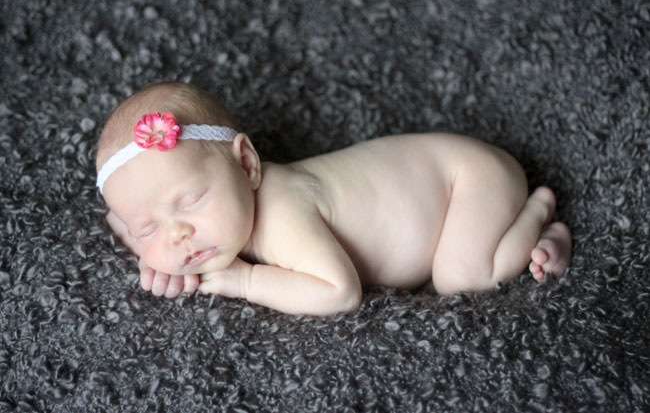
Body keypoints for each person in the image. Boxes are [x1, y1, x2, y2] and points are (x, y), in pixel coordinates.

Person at [96, 82, 572, 316]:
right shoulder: (212, 220)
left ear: (247, 164)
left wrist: (247, 281)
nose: (178, 234)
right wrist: (154, 252)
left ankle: (539, 213)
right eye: (148, 227)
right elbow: (130, 217)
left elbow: (339, 293)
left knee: (460, 278)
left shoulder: (282, 213)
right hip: (442, 168)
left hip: (466, 182)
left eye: (192, 199)